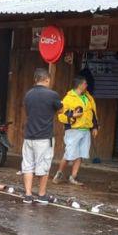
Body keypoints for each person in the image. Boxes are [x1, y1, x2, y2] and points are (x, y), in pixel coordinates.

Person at [20, 67, 62, 204]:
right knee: (43, 166)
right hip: (44, 137)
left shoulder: (28, 95)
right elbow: (60, 109)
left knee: (27, 165)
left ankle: (27, 194)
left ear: (35, 79)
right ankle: (42, 194)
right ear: (47, 79)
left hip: (29, 136)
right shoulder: (52, 95)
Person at [53, 75, 98, 185]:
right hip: (73, 130)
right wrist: (73, 115)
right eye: (85, 83)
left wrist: (95, 126)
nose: (87, 85)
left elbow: (93, 112)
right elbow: (61, 115)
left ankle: (73, 177)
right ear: (80, 85)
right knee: (69, 154)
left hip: (85, 129)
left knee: (80, 154)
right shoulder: (68, 98)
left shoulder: (88, 97)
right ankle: (59, 173)